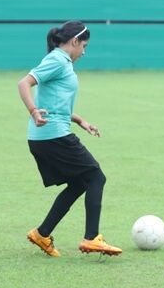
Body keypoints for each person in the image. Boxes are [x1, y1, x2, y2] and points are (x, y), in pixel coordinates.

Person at [17, 20, 122, 258]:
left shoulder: (61, 61)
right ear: (74, 41)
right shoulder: (57, 59)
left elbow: (55, 102)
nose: (84, 52)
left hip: (46, 136)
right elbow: (24, 83)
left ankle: (42, 233)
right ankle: (91, 238)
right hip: (53, 135)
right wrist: (33, 111)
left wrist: (80, 120)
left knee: (80, 182)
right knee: (96, 176)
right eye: (84, 46)